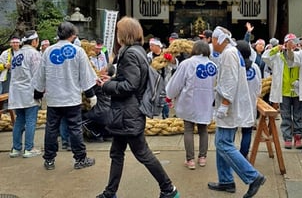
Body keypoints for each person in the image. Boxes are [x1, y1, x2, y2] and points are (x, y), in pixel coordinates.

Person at [96, 16, 179, 198]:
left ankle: (168, 189)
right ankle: (110, 192)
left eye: (119, 31)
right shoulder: (136, 51)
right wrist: (112, 80)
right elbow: (129, 80)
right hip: (125, 113)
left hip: (128, 113)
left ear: (124, 34)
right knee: (117, 153)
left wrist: (106, 86)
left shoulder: (131, 53)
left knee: (142, 153)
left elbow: (130, 85)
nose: (117, 35)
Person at [207, 26, 266, 198]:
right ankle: (226, 180)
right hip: (231, 104)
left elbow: (229, 81)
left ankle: (253, 176)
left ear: (219, 39)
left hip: (229, 106)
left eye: (212, 40)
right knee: (222, 143)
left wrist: (225, 104)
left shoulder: (228, 54)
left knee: (223, 144)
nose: (212, 43)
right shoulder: (232, 52)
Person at [32, 21, 97, 171]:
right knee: (75, 129)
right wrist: (91, 95)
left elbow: (40, 75)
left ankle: (49, 160)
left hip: (54, 98)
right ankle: (80, 158)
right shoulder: (78, 51)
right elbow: (85, 76)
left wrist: (37, 92)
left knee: (51, 129)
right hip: (72, 98)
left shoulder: (48, 51)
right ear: (72, 35)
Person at [166, 40, 217, 169]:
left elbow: (176, 83)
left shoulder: (187, 64)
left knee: (188, 129)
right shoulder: (213, 65)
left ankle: (190, 160)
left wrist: (169, 95)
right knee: (203, 129)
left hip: (190, 101)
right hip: (206, 102)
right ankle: (202, 157)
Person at [264, 34, 302, 149]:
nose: (291, 45)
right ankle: (287, 138)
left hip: (297, 91)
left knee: (297, 116)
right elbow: (265, 57)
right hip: (284, 91)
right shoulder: (277, 56)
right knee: (285, 116)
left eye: (293, 42)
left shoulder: (300, 55)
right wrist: (277, 48)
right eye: (288, 42)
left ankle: (298, 137)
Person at [8, 31, 42, 158]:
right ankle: (29, 148)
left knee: (19, 121)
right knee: (30, 120)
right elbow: (38, 75)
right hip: (29, 91)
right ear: (34, 41)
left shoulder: (17, 54)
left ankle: (16, 149)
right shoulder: (34, 54)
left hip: (16, 92)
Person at [235, 40, 262, 158]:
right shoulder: (255, 67)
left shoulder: (235, 66)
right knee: (247, 131)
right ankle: (243, 155)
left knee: (231, 131)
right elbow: (259, 86)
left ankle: (231, 155)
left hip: (235, 103)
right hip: (250, 102)